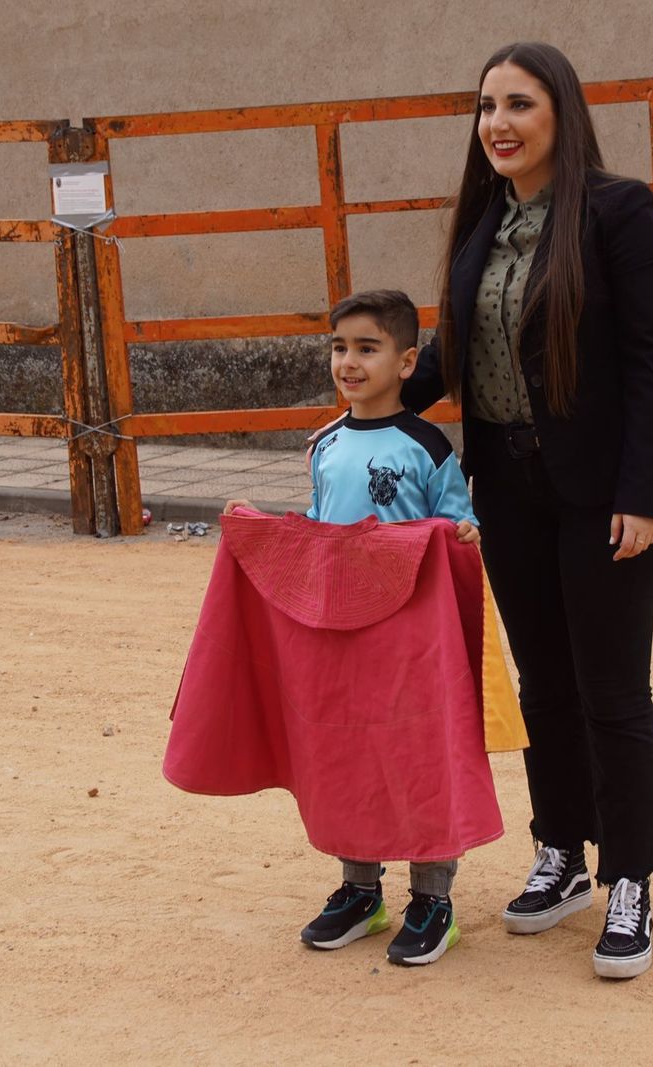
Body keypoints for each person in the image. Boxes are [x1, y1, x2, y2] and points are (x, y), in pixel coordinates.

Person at [399, 42, 653, 980]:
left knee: (612, 691)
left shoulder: (617, 211)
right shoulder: (484, 225)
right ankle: (561, 849)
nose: (499, 124)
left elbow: (651, 362)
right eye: (486, 107)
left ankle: (632, 874)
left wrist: (643, 493)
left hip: (608, 496)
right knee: (541, 688)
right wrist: (370, 395)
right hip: (510, 495)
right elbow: (454, 357)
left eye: (519, 104)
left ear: (561, 112)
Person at [220, 288, 484, 967]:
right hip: (341, 629)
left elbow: (459, 522)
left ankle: (434, 899)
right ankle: (361, 890)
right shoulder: (328, 441)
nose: (349, 360)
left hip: (411, 639)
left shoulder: (428, 443)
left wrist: (461, 532)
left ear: (406, 362)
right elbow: (321, 525)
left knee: (418, 750)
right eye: (340, 347)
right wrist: (262, 527)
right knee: (342, 748)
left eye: (368, 348)